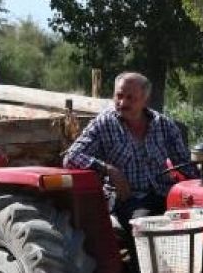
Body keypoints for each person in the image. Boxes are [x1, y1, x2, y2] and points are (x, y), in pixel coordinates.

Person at [63, 72, 190, 232]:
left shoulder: (164, 125)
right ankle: (143, 257)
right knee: (146, 224)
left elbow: (184, 165)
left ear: (145, 100)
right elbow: (71, 157)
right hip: (126, 199)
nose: (123, 102)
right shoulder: (104, 123)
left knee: (197, 220)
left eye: (130, 98)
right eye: (119, 96)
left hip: (163, 194)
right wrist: (108, 169)